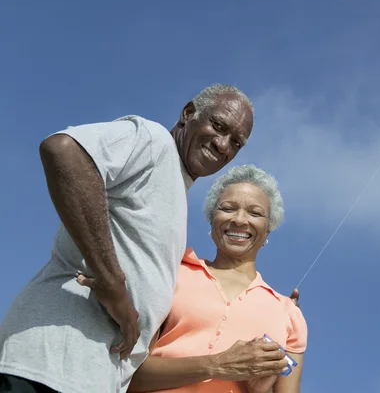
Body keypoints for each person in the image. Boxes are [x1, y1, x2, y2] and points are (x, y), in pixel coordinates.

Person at [0, 84, 262, 393]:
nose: (223, 145)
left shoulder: (176, 193)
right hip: (48, 366)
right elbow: (64, 151)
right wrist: (111, 281)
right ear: (188, 113)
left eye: (236, 142)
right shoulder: (154, 142)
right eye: (218, 126)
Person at [123, 164, 308, 393]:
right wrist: (217, 365)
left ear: (268, 228)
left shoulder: (289, 315)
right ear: (212, 220)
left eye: (255, 212)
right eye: (228, 208)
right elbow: (125, 375)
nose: (240, 220)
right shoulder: (172, 275)